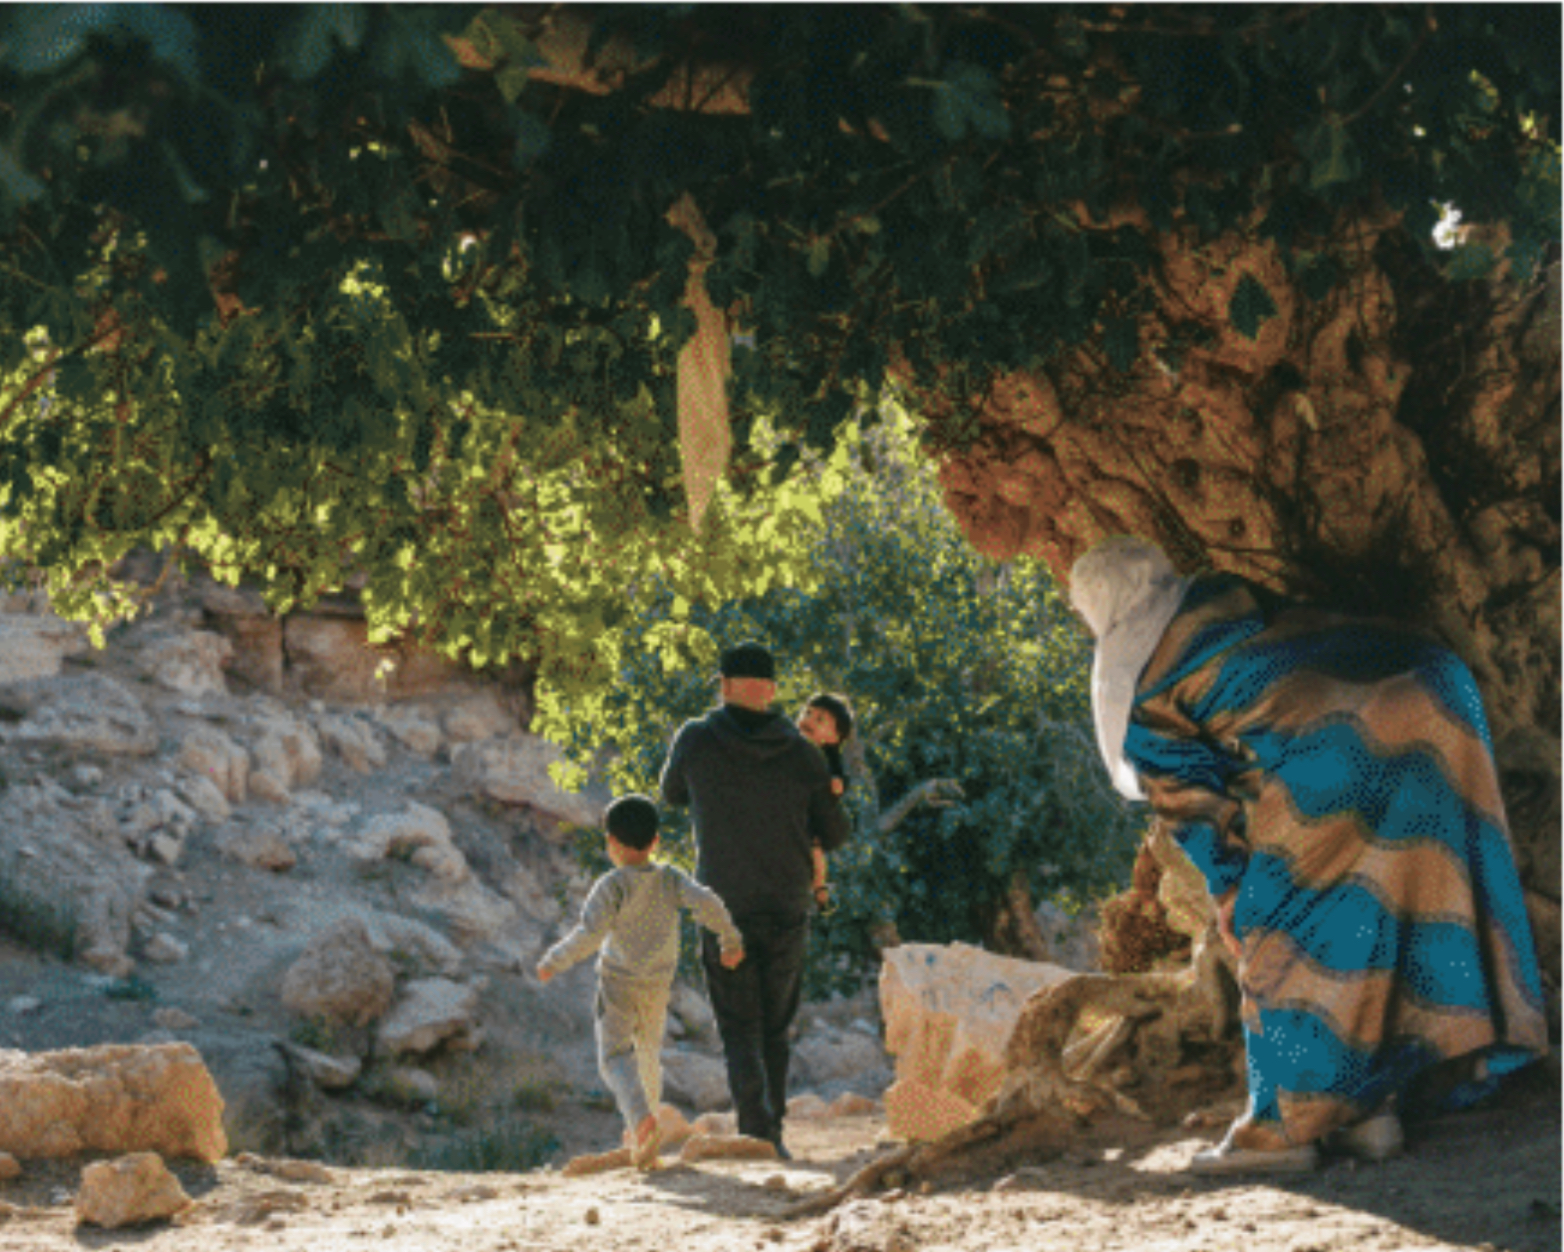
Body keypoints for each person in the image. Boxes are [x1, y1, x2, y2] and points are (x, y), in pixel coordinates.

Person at [1068, 536, 1548, 1175]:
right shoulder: (1226, 599)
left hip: (1344, 741)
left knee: (1279, 926)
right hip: (1439, 691)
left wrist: (1233, 901)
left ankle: (1281, 1131)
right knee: (1401, 899)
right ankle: (1370, 1114)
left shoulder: (1148, 687)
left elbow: (1197, 820)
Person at [659, 642, 851, 1158]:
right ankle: (773, 1135)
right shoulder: (802, 753)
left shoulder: (696, 739)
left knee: (738, 1025)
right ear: (772, 691)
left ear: (724, 686)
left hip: (722, 905)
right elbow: (835, 834)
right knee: (774, 1027)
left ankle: (754, 1132)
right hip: (786, 904)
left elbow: (671, 794)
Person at [536, 794, 745, 1170]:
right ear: (655, 842)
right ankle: (648, 1144)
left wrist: (554, 961)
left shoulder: (611, 885)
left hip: (618, 984)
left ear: (611, 843)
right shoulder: (671, 879)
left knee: (614, 1056)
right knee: (648, 1054)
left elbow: (589, 934)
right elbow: (708, 902)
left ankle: (640, 1118)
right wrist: (730, 939)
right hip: (657, 985)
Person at [797, 692, 855, 914]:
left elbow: (839, 779)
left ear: (834, 737)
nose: (808, 720)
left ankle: (819, 888)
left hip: (811, 817)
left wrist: (837, 785)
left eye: (819, 719)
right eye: (807, 713)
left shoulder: (828, 757)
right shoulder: (789, 742)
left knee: (816, 849)